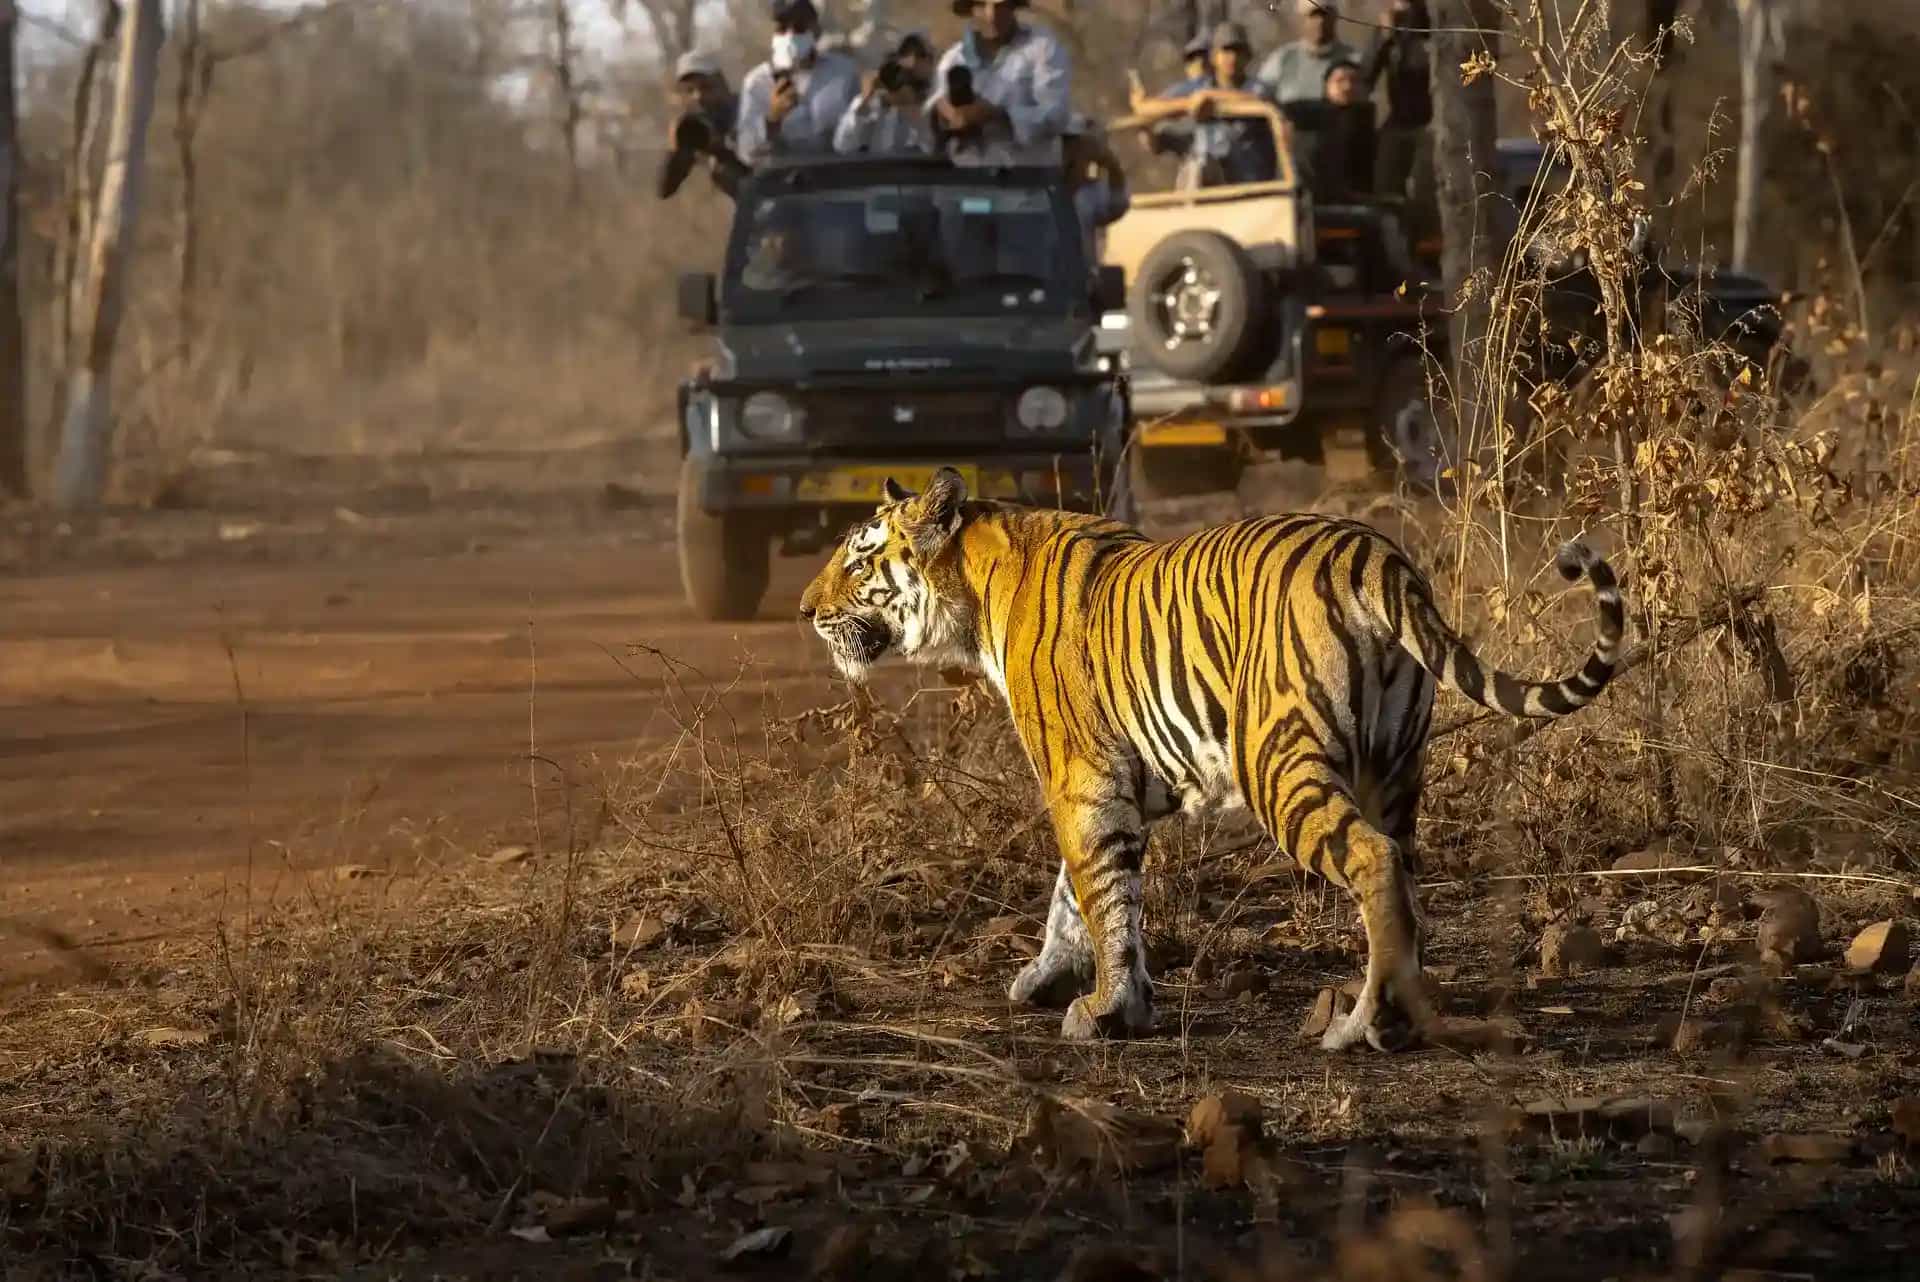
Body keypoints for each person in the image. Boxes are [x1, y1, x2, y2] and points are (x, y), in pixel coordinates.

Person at [1127, 21, 1278, 188]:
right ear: (1214, 57)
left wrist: (1209, 98)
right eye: (1226, 50)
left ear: (1248, 56)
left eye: (1238, 51)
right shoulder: (1198, 87)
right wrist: (1188, 105)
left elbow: (1259, 101)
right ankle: (1190, 209)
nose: (1232, 58)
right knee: (1198, 166)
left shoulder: (1258, 89)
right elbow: (1149, 108)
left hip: (1251, 190)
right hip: (1208, 188)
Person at [925, 0, 1072, 166]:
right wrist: (947, 116)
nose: (991, 15)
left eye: (999, 6)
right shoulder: (952, 60)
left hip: (1027, 181)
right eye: (982, 5)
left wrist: (1000, 116)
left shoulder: (1042, 49)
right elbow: (932, 119)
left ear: (1012, 6)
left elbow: (1057, 115)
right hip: (966, 180)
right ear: (971, 8)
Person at [736, 0, 862, 166]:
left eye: (799, 28)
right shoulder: (756, 82)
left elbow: (863, 137)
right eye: (782, 29)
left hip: (839, 178)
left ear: (816, 31)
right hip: (783, 184)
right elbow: (746, 152)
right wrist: (773, 119)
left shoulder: (843, 71)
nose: (790, 36)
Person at [657, 50, 748, 200]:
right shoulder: (694, 124)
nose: (698, 96)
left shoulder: (746, 111)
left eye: (706, 87)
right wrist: (675, 151)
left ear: (722, 84)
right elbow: (665, 191)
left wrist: (721, 149)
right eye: (689, 90)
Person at [1366, 0, 1432, 203]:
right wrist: (1385, 38)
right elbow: (1366, 76)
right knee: (1385, 185)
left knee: (1425, 189)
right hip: (1398, 120)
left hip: (1432, 122)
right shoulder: (1390, 29)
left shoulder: (1435, 25)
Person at [834, 30, 936, 154]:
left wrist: (912, 110)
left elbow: (934, 150)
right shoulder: (874, 103)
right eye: (906, 53)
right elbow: (843, 145)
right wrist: (865, 102)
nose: (913, 62)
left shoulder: (935, 101)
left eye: (922, 55)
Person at [1289, 59, 1375, 202]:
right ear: (1326, 85)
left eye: (1354, 81)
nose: (1347, 87)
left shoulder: (1367, 117)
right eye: (1340, 81)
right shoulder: (1306, 114)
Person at [1255, 0, 1357, 106]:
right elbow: (1259, 100)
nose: (1320, 21)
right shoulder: (1282, 60)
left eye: (1325, 14)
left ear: (1335, 17)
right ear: (1302, 19)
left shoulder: (1353, 59)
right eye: (1314, 15)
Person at [1062, 114, 1130, 265]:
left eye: (1073, 144)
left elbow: (1119, 204)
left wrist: (1112, 165)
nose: (1068, 152)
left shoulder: (1088, 196)